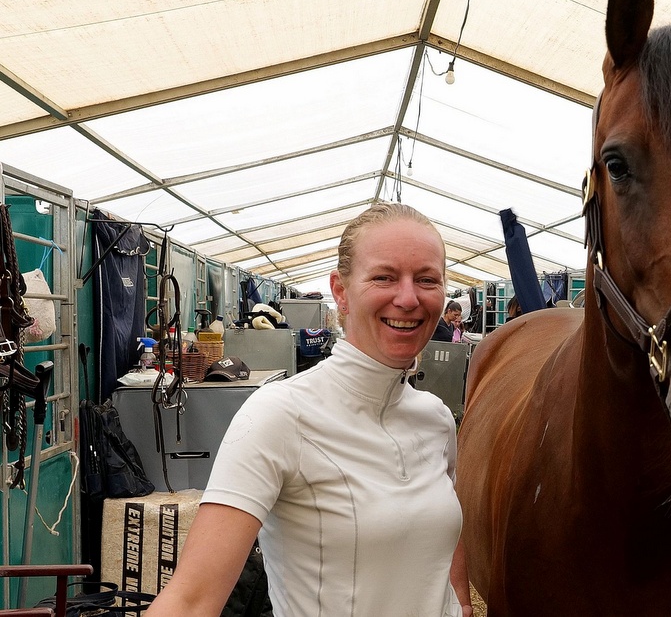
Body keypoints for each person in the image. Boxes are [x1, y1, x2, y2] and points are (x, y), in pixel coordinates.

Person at [147, 203, 472, 617]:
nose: (408, 298)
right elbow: (190, 602)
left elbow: (443, 533)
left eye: (426, 279)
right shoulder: (279, 415)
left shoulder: (437, 418)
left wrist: (462, 604)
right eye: (384, 277)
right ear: (340, 290)